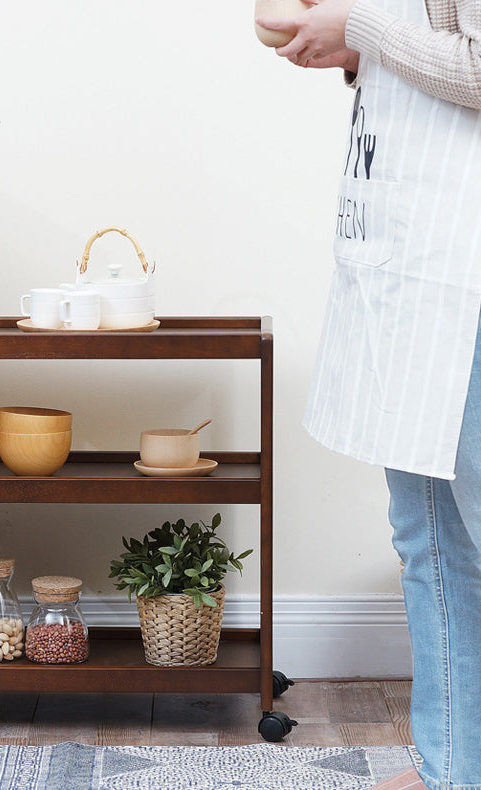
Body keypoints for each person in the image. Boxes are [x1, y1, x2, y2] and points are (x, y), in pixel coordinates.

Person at [255, 2, 481, 789]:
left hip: (467, 279)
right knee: (432, 542)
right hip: (412, 267)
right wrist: (346, 47)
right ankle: (454, 766)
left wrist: (360, 29)